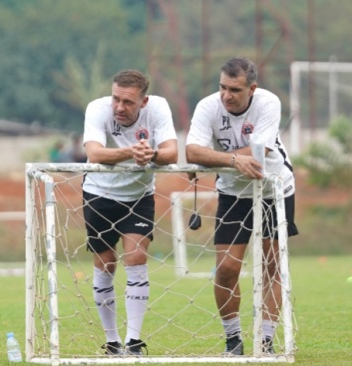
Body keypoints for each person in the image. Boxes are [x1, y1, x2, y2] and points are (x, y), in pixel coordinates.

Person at [185, 57, 299, 356]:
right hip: (233, 192)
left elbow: (259, 151)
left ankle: (266, 341)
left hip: (274, 188)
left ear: (252, 88)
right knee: (226, 269)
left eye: (235, 89)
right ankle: (233, 341)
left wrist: (214, 158)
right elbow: (193, 150)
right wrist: (233, 160)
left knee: (271, 268)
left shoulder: (268, 103)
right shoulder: (207, 106)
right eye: (222, 87)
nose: (226, 95)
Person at [82, 69, 178, 356]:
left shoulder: (159, 107)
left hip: (139, 196)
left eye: (128, 102)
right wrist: (132, 152)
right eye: (116, 99)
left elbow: (172, 153)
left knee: (136, 256)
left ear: (143, 102)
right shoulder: (97, 109)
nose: (120, 107)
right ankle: (112, 342)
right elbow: (95, 154)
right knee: (107, 263)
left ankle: (134, 342)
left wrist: (153, 155)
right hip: (99, 193)